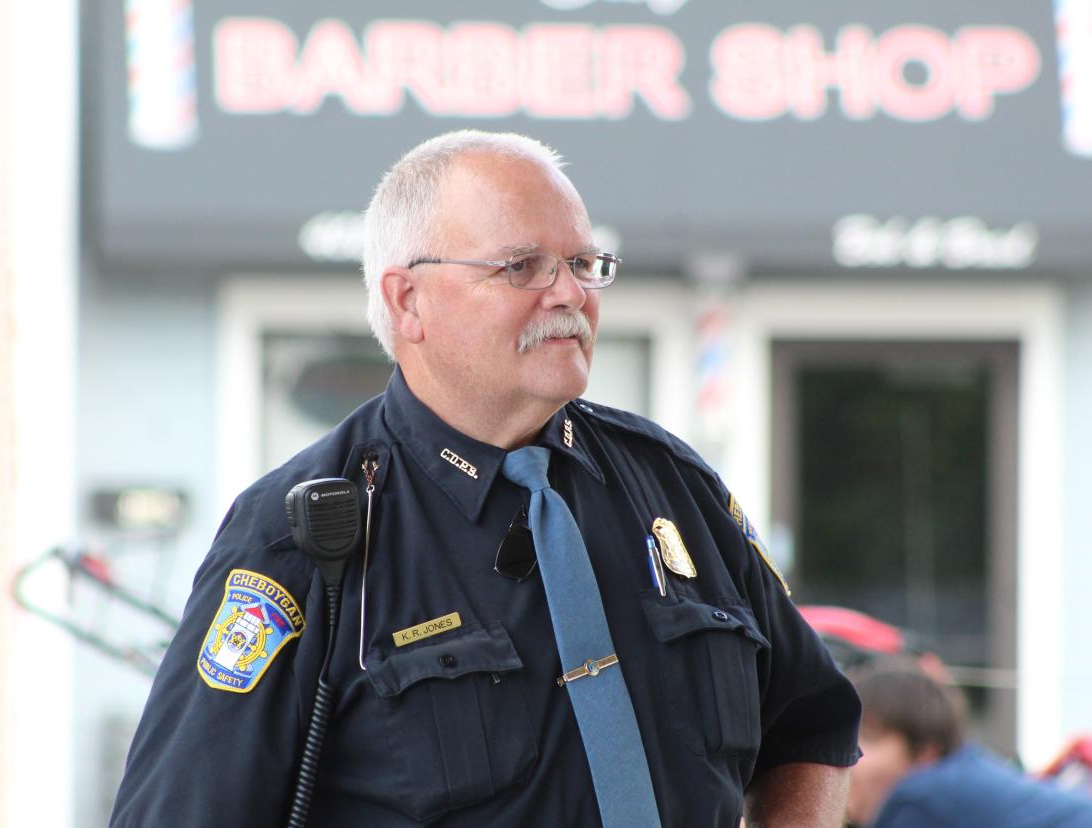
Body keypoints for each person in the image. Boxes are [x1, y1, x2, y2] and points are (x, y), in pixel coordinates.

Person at [109, 130, 861, 827]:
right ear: (409, 301)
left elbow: (813, 725)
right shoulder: (304, 530)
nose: (570, 294)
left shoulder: (669, 485)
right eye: (523, 266)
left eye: (583, 264)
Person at [847, 662, 1092, 828]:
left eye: (869, 738)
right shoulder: (965, 779)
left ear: (924, 754)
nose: (848, 756)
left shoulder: (922, 799)